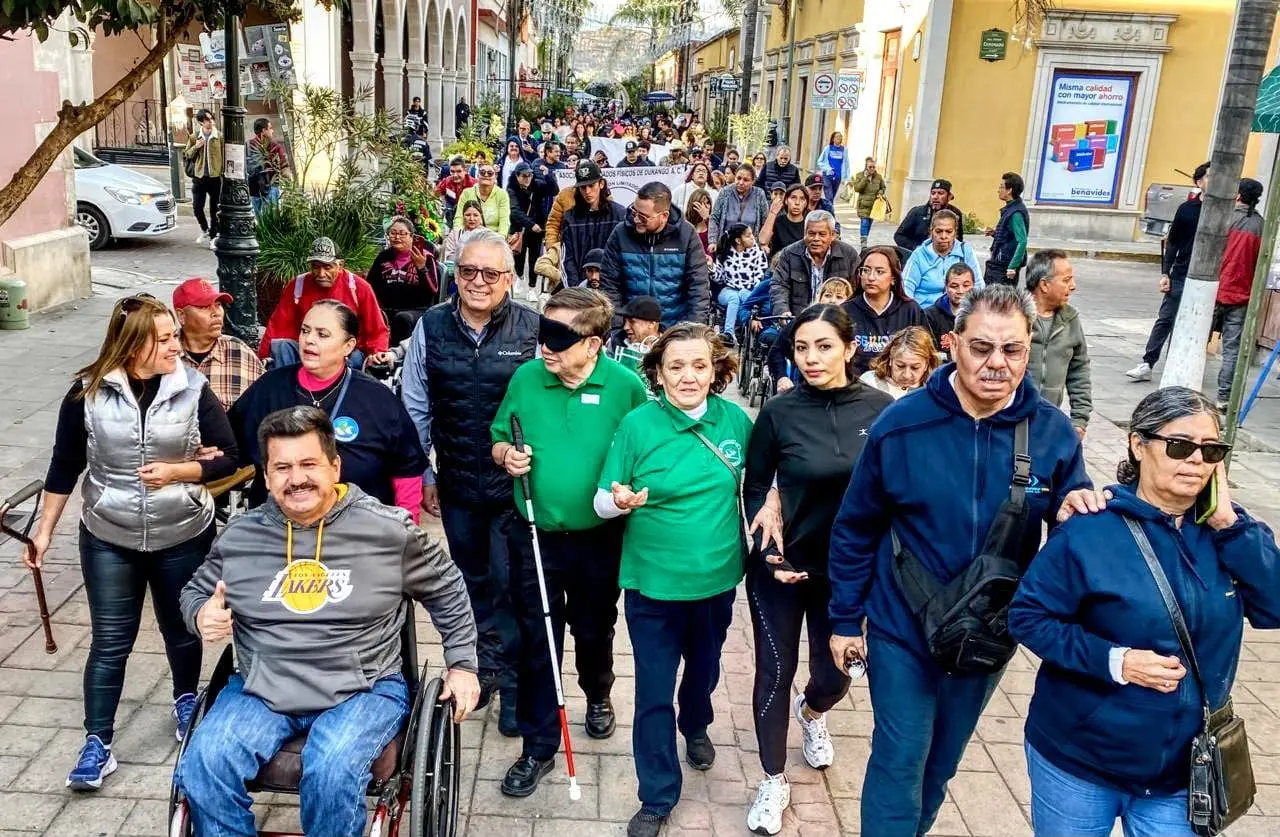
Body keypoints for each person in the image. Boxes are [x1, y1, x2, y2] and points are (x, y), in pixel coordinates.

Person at [828, 283, 1096, 837]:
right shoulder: (902, 424)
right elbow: (856, 525)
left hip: (990, 632)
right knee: (900, 755)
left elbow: (1076, 520)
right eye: (981, 348)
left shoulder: (1052, 431)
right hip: (901, 624)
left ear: (1029, 350)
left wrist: (1078, 510)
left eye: (1013, 350)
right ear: (952, 344)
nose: (997, 364)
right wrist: (843, 617)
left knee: (941, 763)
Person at [174, 406, 481, 837]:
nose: (295, 478)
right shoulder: (242, 536)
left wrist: (463, 664)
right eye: (282, 467)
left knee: (332, 771)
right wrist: (200, 613)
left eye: (308, 464)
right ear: (266, 475)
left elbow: (447, 586)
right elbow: (193, 592)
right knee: (205, 764)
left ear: (334, 466)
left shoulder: (387, 531)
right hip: (262, 686)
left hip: (362, 689)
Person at [1008, 386, 1280, 837]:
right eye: (1180, 445)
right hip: (1080, 760)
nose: (1196, 460)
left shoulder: (1230, 533)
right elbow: (1028, 618)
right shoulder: (1089, 531)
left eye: (1211, 449)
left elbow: (1274, 607)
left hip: (1181, 770)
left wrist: (1229, 524)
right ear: (1139, 444)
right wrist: (1117, 661)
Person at [24, 294, 239, 790]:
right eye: (163, 339)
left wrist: (180, 471)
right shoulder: (87, 393)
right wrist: (44, 530)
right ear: (132, 345)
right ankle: (97, 743)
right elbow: (64, 465)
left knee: (180, 628)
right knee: (110, 641)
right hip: (108, 532)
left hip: (182, 529)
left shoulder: (192, 387)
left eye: (173, 336)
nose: (175, 346)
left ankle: (187, 700)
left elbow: (230, 456)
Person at [489, 289, 650, 797]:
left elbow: (644, 452)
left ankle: (598, 692)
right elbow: (498, 435)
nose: (546, 347)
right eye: (543, 333)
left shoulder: (626, 387)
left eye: (560, 338)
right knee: (538, 640)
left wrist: (631, 490)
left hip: (599, 538)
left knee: (595, 627)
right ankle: (538, 747)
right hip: (534, 533)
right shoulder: (526, 378)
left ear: (594, 344)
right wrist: (504, 456)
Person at [594, 323, 753, 837]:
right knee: (654, 691)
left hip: (717, 579)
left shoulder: (736, 422)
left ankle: (698, 722)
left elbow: (764, 486)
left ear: (716, 371)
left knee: (704, 670)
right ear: (658, 375)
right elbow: (602, 497)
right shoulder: (638, 425)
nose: (689, 376)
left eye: (699, 365)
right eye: (676, 367)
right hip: (652, 587)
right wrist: (617, 502)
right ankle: (657, 795)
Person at [742, 303, 892, 835]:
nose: (811, 358)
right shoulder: (779, 413)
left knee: (836, 675)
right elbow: (756, 484)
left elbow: (893, 491)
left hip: (846, 576)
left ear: (852, 349)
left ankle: (813, 713)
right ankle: (772, 779)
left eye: (824, 346)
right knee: (774, 672)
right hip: (782, 571)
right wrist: (769, 549)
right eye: (801, 347)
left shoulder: (881, 410)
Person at [402, 229, 541, 733]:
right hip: (458, 483)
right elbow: (415, 405)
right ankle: (486, 671)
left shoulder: (532, 330)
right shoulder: (431, 328)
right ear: (453, 274)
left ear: (509, 279)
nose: (478, 281)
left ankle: (518, 684)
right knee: (470, 583)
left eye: (491, 273)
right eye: (467, 271)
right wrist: (422, 473)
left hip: (516, 490)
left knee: (512, 588)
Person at [233, 300, 427, 515]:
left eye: (322, 334)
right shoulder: (268, 388)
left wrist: (405, 530)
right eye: (305, 331)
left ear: (348, 346)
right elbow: (230, 446)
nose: (309, 340)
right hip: (279, 527)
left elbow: (407, 471)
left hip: (359, 529)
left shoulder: (377, 399)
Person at [1125, 163, 1209, 383]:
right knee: (1165, 319)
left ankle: (1183, 365)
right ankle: (1147, 363)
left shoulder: (1225, 212)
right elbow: (1172, 243)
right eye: (1210, 176)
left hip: (1209, 277)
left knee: (1198, 324)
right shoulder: (1187, 209)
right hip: (1181, 272)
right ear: (1199, 181)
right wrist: (1165, 273)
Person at [258, 237, 389, 368]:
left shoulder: (359, 287)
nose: (321, 273)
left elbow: (376, 329)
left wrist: (377, 353)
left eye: (327, 267)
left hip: (345, 351)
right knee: (282, 346)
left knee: (351, 358)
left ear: (340, 265)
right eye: (316, 267)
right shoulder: (298, 285)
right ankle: (285, 387)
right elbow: (277, 326)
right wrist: (262, 358)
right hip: (308, 347)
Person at [599, 182, 710, 329]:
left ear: (664, 216)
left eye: (643, 217)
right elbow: (610, 286)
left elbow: (698, 288)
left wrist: (692, 331)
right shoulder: (620, 233)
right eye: (634, 212)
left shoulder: (687, 235)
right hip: (631, 329)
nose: (637, 219)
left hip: (675, 329)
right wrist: (617, 328)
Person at [1026, 249, 1092, 439]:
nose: (1073, 286)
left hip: (1049, 420)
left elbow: (1079, 369)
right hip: (1011, 418)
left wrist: (1080, 420)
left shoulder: (1070, 319)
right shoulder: (1015, 316)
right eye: (1066, 280)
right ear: (1044, 285)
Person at [173, 278, 263, 410]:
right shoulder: (168, 354)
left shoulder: (239, 351)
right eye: (204, 307)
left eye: (218, 305)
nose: (216, 313)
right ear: (181, 316)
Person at [1214, 177, 1264, 410]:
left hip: (1215, 290)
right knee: (1231, 349)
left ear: (1238, 195)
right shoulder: (1261, 225)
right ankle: (1223, 397)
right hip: (1242, 295)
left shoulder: (1225, 218)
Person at [844, 246, 926, 376]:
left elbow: (924, 353)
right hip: (856, 386)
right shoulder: (845, 311)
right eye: (865, 270)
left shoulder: (910, 310)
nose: (871, 277)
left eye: (879, 272)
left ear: (893, 278)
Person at [769, 210, 860, 318]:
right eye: (811, 234)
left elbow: (858, 288)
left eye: (822, 234)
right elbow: (779, 285)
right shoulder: (790, 254)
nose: (816, 239)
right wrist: (782, 311)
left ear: (832, 235)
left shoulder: (848, 254)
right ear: (804, 233)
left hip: (838, 320)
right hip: (799, 319)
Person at [365, 216, 439, 344]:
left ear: (411, 236)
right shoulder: (384, 257)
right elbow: (370, 286)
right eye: (393, 233)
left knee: (402, 319)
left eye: (402, 234)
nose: (397, 237)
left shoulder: (425, 257)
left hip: (416, 310)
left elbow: (433, 290)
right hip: (388, 309)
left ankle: (397, 356)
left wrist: (421, 268)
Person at [559, 160, 627, 292]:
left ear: (601, 184)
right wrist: (576, 291)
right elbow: (567, 259)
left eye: (591, 185)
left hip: (612, 289)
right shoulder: (570, 218)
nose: (587, 191)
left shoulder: (619, 214)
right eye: (583, 187)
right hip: (581, 288)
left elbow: (624, 256)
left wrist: (614, 288)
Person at [901, 209, 983, 307]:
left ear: (955, 233)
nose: (943, 236)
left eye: (949, 232)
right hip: (925, 312)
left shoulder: (966, 251)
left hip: (958, 312)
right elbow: (906, 287)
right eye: (939, 231)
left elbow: (978, 285)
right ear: (931, 231)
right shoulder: (919, 255)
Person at [712, 223, 769, 345]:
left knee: (743, 294)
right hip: (728, 290)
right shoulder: (725, 253)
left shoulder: (758, 254)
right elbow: (719, 278)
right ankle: (729, 333)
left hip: (748, 291)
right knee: (734, 297)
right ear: (738, 240)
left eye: (752, 235)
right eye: (748, 236)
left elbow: (759, 279)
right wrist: (711, 267)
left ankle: (751, 326)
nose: (753, 238)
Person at [859, 325, 940, 400]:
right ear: (890, 359)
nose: (906, 375)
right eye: (900, 366)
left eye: (915, 368)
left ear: (926, 365)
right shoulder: (869, 383)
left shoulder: (936, 389)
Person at [184, 109, 224, 248]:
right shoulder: (195, 136)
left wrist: (223, 173)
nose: (211, 121)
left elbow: (224, 156)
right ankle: (204, 229)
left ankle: (213, 237)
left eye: (212, 118)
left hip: (214, 178)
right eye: (207, 119)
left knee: (215, 210)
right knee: (197, 208)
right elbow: (187, 154)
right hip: (199, 177)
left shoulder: (219, 136)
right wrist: (196, 146)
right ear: (201, 122)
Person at [983, 171, 1030, 286]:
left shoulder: (1015, 213)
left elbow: (1022, 240)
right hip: (999, 262)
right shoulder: (1010, 209)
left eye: (1001, 187)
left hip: (1004, 267)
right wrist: (995, 233)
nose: (998, 190)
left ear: (1009, 190)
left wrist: (1012, 267)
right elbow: (1009, 236)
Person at [894, 179, 965, 252]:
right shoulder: (917, 212)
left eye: (940, 193)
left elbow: (958, 239)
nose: (935, 197)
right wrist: (917, 249)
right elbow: (899, 236)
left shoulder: (955, 213)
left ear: (949, 196)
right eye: (933, 193)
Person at [922, 263, 975, 359]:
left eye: (966, 285)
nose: (960, 291)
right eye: (954, 286)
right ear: (946, 287)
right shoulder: (929, 316)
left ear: (973, 286)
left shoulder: (981, 315)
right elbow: (928, 354)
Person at [709, 164, 770, 244]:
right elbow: (714, 218)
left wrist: (763, 244)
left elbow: (765, 221)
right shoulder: (725, 192)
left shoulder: (759, 194)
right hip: (727, 243)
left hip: (750, 246)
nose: (741, 182)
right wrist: (713, 241)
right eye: (738, 178)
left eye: (746, 180)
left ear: (753, 181)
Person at [247, 117, 289, 216]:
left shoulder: (275, 146)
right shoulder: (249, 146)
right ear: (263, 131)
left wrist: (288, 185)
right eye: (270, 128)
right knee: (265, 219)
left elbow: (284, 166)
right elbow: (284, 166)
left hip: (268, 187)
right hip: (257, 187)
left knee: (267, 218)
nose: (272, 131)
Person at [455, 161, 510, 235]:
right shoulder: (467, 193)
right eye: (482, 172)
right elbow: (459, 218)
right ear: (477, 176)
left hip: (493, 238)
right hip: (470, 237)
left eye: (490, 173)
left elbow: (504, 221)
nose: (486, 175)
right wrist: (458, 236)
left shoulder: (502, 194)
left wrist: (500, 239)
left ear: (495, 177)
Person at [759, 184, 810, 254]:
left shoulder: (809, 224)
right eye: (793, 198)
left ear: (806, 203)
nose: (797, 203)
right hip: (779, 261)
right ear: (786, 200)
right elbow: (763, 240)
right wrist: (772, 213)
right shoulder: (778, 221)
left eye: (802, 199)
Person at [852, 157, 889, 250]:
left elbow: (883, 187)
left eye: (873, 167)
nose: (872, 169)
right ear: (866, 167)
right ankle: (863, 243)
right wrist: (865, 178)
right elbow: (857, 188)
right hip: (863, 205)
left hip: (874, 206)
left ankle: (865, 237)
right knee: (864, 222)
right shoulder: (859, 175)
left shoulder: (879, 177)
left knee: (869, 224)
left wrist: (880, 192)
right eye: (870, 167)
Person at [435, 156, 477, 225]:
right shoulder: (447, 181)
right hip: (451, 213)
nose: (455, 175)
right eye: (452, 171)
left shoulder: (473, 184)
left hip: (468, 214)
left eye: (459, 171)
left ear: (465, 171)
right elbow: (435, 193)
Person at [442, 200, 486, 265]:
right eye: (468, 215)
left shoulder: (487, 235)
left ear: (481, 217)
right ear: (463, 216)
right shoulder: (454, 234)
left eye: (476, 215)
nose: (471, 218)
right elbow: (450, 258)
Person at [816, 132, 847, 205]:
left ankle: (828, 209)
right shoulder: (828, 148)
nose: (839, 138)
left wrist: (846, 177)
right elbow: (819, 161)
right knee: (829, 196)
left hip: (838, 176)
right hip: (827, 175)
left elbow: (846, 164)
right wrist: (828, 168)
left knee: (832, 196)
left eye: (840, 137)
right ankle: (830, 211)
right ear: (833, 139)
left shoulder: (844, 150)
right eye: (837, 137)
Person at [685, 188, 714, 255]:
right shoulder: (686, 225)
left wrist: (707, 218)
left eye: (708, 203)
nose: (705, 206)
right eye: (702, 203)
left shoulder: (713, 223)